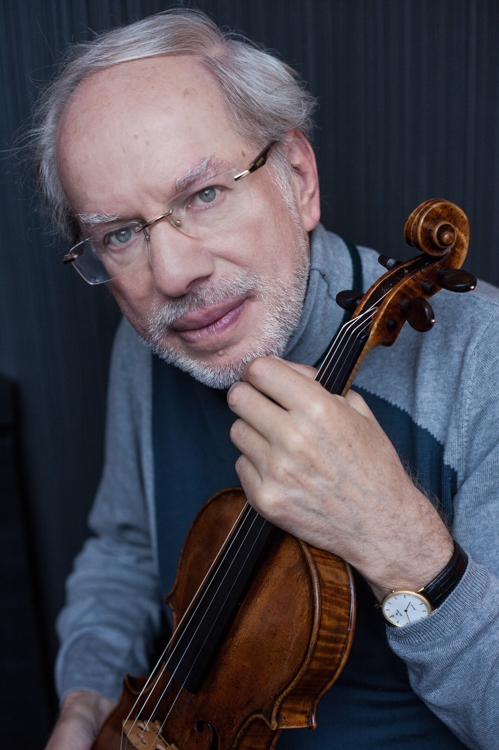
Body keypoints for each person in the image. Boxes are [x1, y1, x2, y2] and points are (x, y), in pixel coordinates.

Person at [32, 9, 499, 750]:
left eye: (203, 195)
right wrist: (86, 700)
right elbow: (123, 551)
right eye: (119, 234)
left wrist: (402, 544)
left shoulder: (483, 357)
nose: (172, 274)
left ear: (299, 179)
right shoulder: (151, 342)